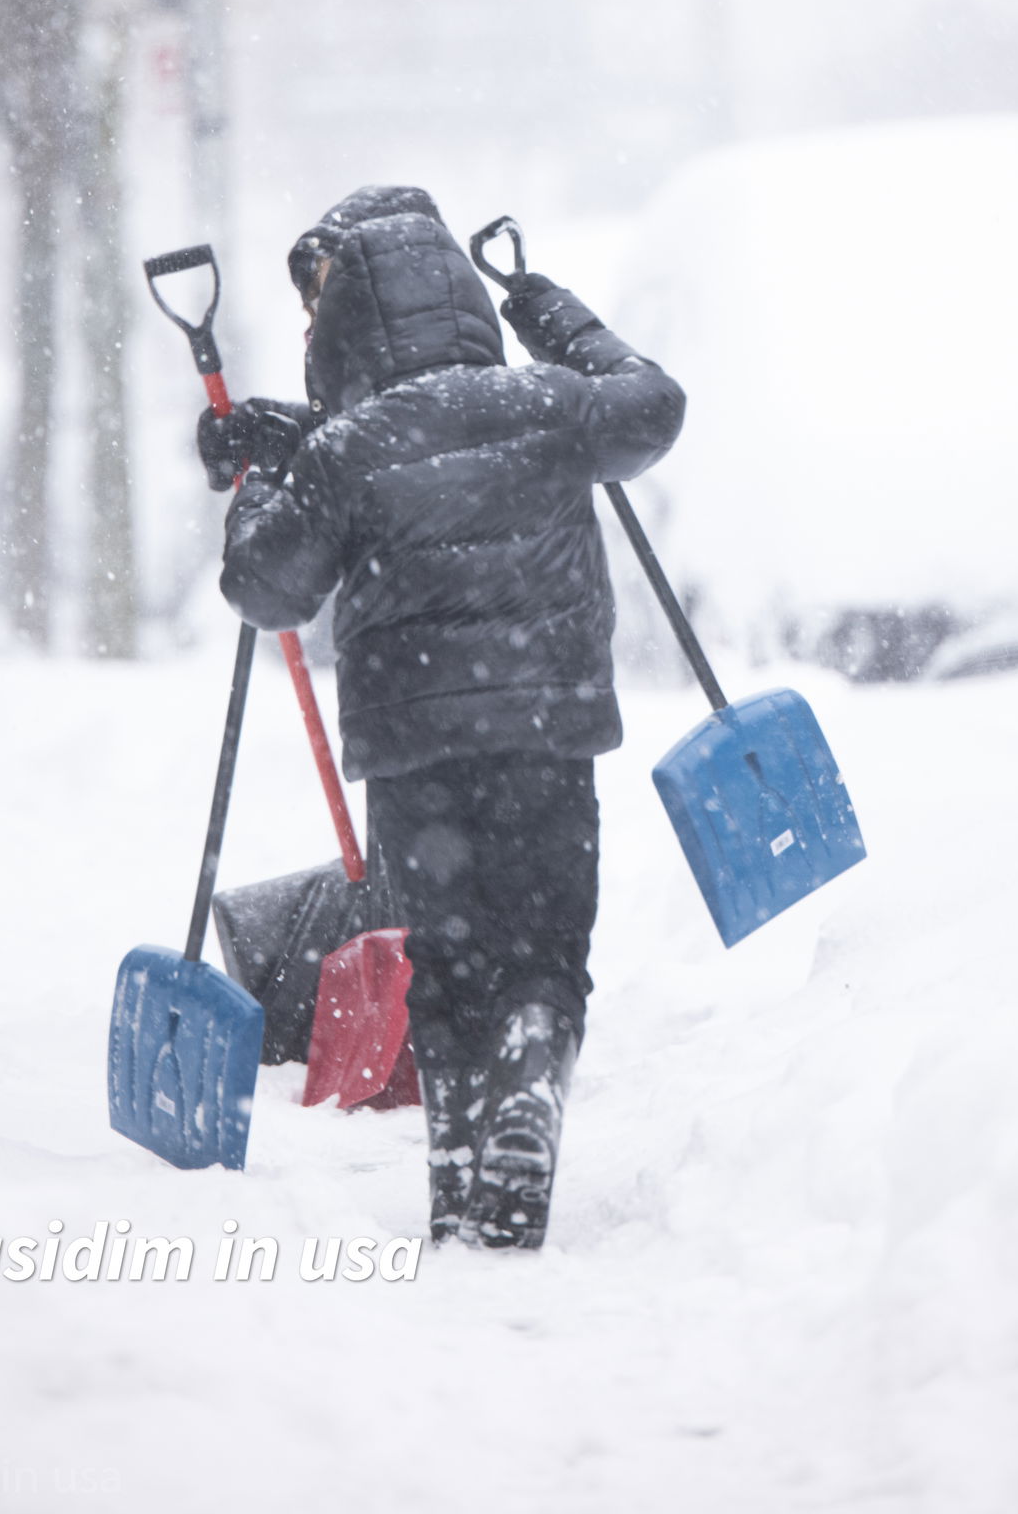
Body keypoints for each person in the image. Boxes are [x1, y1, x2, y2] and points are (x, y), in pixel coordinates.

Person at [199, 186, 684, 1248]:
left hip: (415, 759)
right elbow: (651, 402)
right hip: (545, 735)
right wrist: (545, 307)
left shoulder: (350, 451)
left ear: (343, 329)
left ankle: (464, 1169)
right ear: (460, 297)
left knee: (449, 964)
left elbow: (265, 588)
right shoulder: (549, 405)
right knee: (543, 954)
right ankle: (526, 1087)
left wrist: (252, 482)